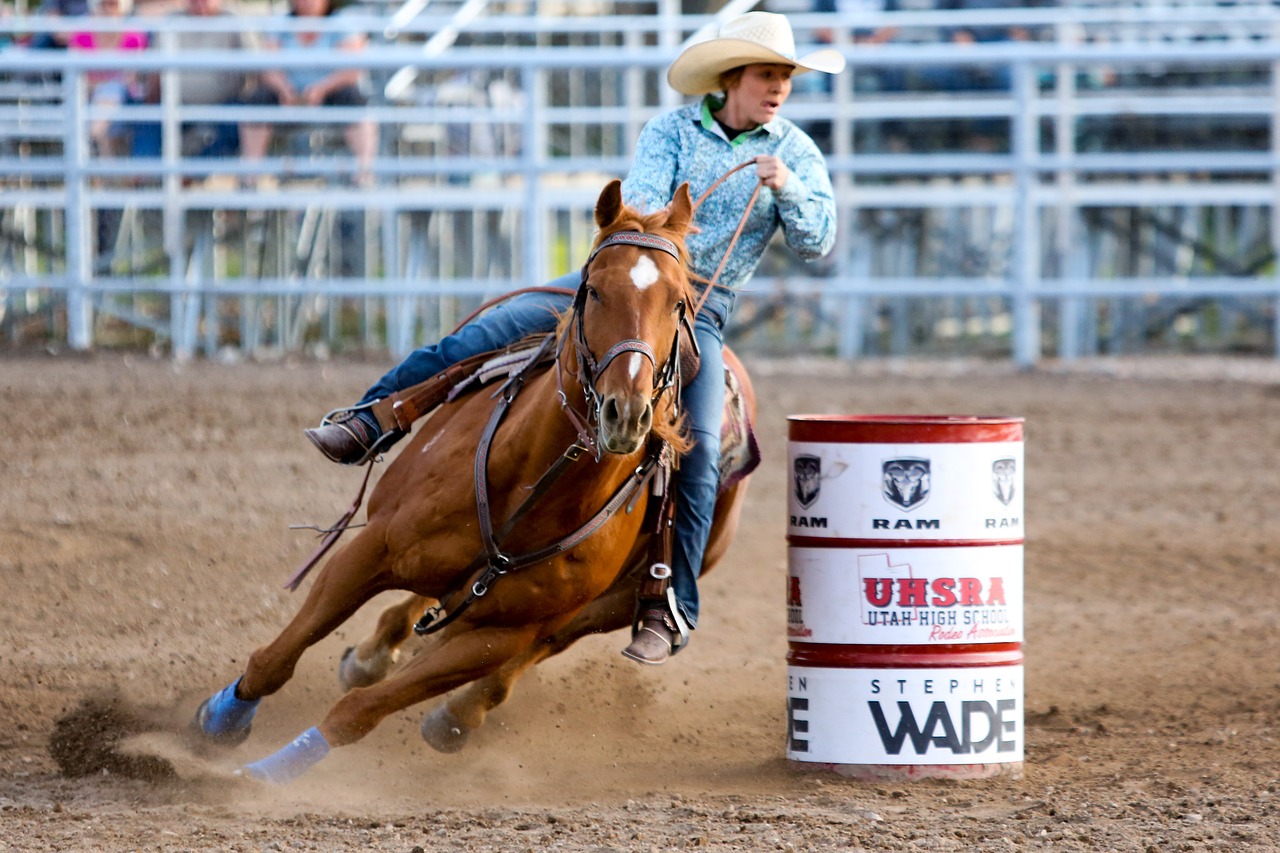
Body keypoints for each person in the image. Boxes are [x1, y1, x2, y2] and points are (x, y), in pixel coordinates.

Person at [305, 11, 845, 664]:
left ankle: (669, 598)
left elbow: (819, 241)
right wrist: (660, 249)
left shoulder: (795, 154)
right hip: (622, 279)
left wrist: (786, 189)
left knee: (700, 449)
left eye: (786, 76)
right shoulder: (670, 131)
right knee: (485, 332)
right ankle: (373, 418)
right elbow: (640, 204)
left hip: (696, 309)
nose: (779, 87)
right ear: (734, 78)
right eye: (768, 74)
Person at [238, 0, 376, 184]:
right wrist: (285, 90)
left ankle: (363, 175)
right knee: (257, 100)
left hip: (329, 95)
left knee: (354, 98)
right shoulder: (280, 24)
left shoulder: (342, 23)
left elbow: (351, 70)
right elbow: (268, 68)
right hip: (287, 97)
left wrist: (321, 89)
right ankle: (249, 178)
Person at [130, 0, 251, 162]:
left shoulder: (234, 23)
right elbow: (154, 71)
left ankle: (194, 173)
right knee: (149, 117)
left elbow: (254, 68)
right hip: (176, 103)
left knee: (241, 121)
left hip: (224, 104)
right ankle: (141, 173)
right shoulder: (171, 21)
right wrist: (151, 100)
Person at [68, 0, 148, 158]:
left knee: (110, 92)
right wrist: (107, 81)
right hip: (89, 101)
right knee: (106, 98)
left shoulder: (134, 36)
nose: (107, 9)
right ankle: (97, 141)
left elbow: (130, 79)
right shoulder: (82, 34)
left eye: (112, 4)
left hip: (125, 102)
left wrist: (100, 82)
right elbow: (76, 79)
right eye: (103, 4)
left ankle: (95, 137)